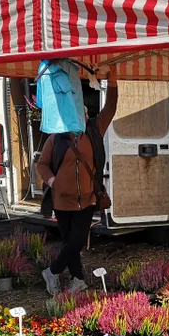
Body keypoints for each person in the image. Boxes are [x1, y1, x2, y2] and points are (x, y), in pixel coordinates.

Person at [37, 69, 118, 295]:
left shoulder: (93, 130)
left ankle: (52, 272)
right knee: (69, 243)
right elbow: (42, 164)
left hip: (88, 199)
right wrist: (54, 182)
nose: (78, 115)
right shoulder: (56, 138)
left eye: (81, 111)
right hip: (62, 202)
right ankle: (78, 279)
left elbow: (110, 108)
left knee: (77, 241)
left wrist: (112, 81)